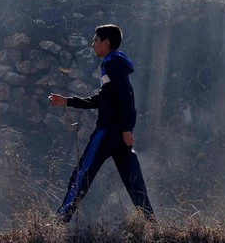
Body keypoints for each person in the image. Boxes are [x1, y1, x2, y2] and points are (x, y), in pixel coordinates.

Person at [48, 23, 155, 223]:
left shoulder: (111, 62)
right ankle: (152, 225)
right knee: (133, 181)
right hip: (118, 133)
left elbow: (127, 95)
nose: (92, 44)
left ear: (106, 42)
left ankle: (58, 222)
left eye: (96, 40)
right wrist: (68, 101)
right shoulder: (115, 63)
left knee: (80, 176)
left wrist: (126, 128)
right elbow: (102, 99)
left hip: (108, 132)